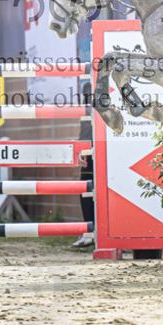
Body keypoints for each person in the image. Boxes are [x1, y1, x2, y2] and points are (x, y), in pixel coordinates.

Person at [73, 82, 95, 248]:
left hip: (114, 147)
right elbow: (86, 120)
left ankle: (115, 234)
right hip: (94, 145)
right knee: (86, 188)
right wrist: (81, 147)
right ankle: (89, 232)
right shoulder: (89, 85)